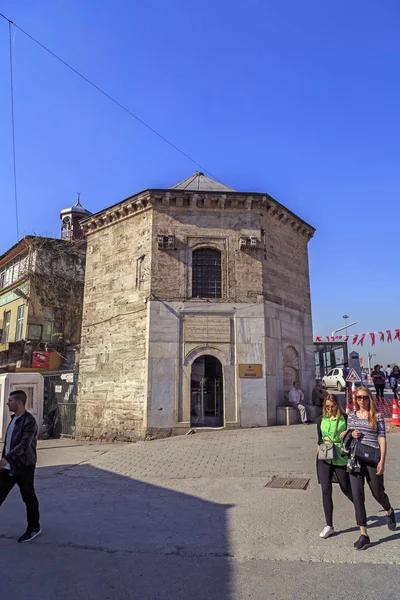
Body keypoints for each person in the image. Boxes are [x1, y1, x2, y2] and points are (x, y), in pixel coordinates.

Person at [345, 386, 396, 550]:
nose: (361, 400)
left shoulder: (377, 415)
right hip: (355, 459)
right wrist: (351, 434)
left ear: (370, 398)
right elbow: (348, 432)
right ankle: (364, 534)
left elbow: (382, 438)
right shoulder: (352, 415)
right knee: (357, 496)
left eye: (364, 397)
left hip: (373, 459)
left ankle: (388, 510)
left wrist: (382, 460)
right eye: (359, 397)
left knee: (377, 492)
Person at [0, 390, 41, 543]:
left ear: (18, 402)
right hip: (8, 467)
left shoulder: (29, 421)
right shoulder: (13, 419)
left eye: (10, 400)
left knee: (28, 498)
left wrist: (7, 459)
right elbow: (9, 444)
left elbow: (24, 445)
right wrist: (4, 460)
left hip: (24, 467)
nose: (7, 403)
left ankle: (34, 527)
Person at [316, 394, 353, 538]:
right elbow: (319, 440)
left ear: (337, 405)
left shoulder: (345, 418)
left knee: (345, 487)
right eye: (327, 406)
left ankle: (359, 507)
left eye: (332, 406)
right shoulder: (320, 420)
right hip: (324, 456)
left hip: (340, 457)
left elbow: (356, 431)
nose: (330, 409)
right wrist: (316, 458)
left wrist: (349, 432)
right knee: (326, 490)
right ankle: (329, 525)